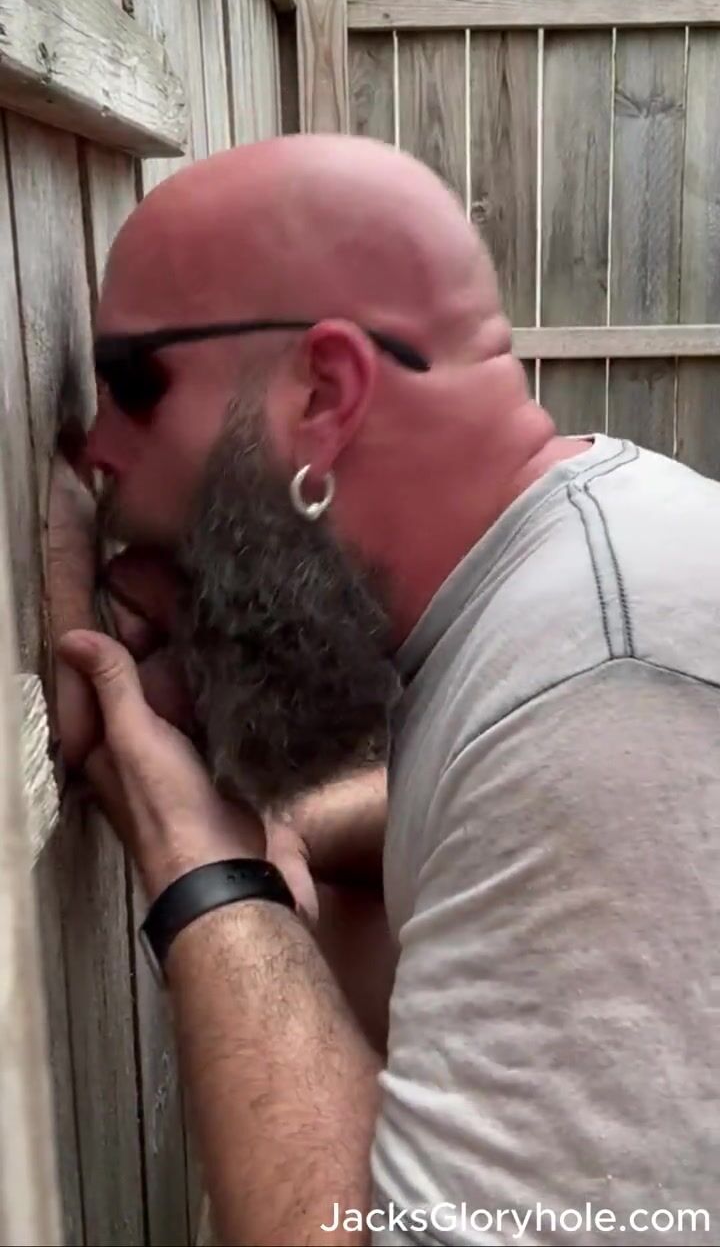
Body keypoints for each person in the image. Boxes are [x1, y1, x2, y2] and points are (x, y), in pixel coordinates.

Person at [49, 134, 720, 1247]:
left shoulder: (610, 692)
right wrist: (288, 819)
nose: (95, 450)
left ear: (325, 393)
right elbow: (477, 816)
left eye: (132, 385)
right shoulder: (552, 584)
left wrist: (199, 862)